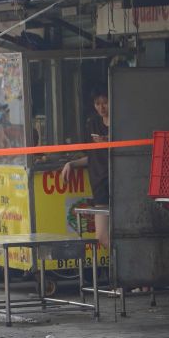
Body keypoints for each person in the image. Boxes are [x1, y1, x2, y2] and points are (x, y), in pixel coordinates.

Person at [61, 88, 111, 249]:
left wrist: (109, 142)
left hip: (121, 182)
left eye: (105, 103)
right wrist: (71, 164)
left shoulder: (122, 123)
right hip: (100, 186)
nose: (102, 108)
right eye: (98, 104)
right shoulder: (93, 124)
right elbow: (93, 156)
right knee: (102, 237)